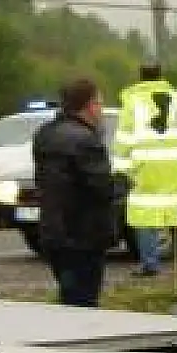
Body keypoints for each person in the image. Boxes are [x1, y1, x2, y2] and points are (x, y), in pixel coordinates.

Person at [33, 77, 116, 307]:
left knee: (69, 297)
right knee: (84, 301)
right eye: (99, 103)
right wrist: (123, 184)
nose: (101, 110)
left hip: (54, 232)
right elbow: (101, 187)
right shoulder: (87, 141)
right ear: (88, 106)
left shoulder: (45, 135)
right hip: (83, 235)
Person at [113, 62, 177, 279]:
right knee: (176, 214)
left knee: (144, 217)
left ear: (140, 77)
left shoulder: (132, 101)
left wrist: (121, 170)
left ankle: (151, 264)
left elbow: (123, 139)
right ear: (161, 76)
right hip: (173, 165)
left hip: (144, 167)